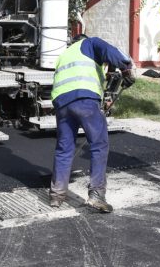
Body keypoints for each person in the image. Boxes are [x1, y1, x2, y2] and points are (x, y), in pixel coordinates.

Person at [50, 34, 135, 212]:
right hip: (84, 99)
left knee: (64, 148)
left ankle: (57, 195)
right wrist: (126, 68)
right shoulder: (89, 43)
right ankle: (96, 195)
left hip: (61, 103)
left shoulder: (64, 55)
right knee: (99, 144)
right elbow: (111, 52)